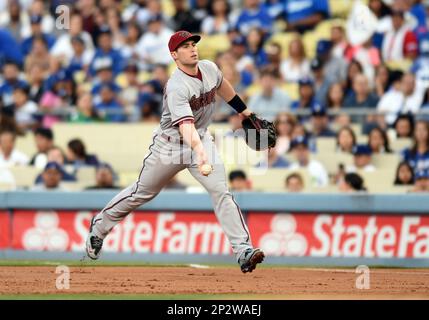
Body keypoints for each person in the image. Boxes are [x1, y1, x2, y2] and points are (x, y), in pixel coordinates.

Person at [85, 30, 266, 273]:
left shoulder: (209, 68)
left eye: (193, 43)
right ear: (174, 54)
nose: (192, 48)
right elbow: (185, 126)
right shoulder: (176, 86)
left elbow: (223, 86)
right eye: (185, 46)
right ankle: (99, 227)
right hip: (170, 145)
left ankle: (243, 250)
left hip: (200, 138)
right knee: (141, 193)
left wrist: (244, 112)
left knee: (221, 191)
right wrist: (200, 151)